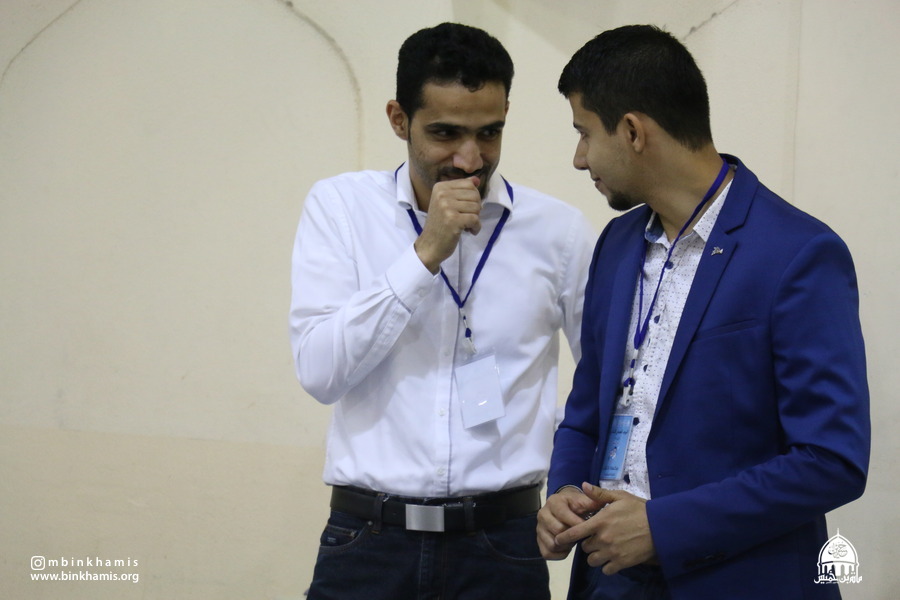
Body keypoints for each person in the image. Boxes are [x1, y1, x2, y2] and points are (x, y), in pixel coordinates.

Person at [536, 25, 870, 600]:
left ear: (634, 131)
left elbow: (831, 459)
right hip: (609, 579)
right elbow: (588, 408)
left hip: (737, 579)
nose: (578, 158)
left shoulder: (797, 253)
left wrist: (663, 528)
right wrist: (564, 490)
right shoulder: (616, 243)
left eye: (584, 133)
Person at [290, 22, 595, 600]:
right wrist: (424, 254)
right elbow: (320, 373)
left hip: (503, 543)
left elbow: (603, 381)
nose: (469, 158)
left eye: (489, 133)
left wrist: (565, 474)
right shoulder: (341, 208)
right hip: (368, 541)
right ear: (398, 119)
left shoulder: (558, 231)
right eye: (445, 133)